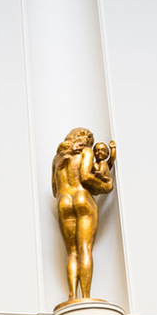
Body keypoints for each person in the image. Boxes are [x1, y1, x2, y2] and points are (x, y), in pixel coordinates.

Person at [51, 128, 116, 303]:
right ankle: (85, 297)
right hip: (82, 197)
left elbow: (54, 189)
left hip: (63, 200)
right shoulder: (86, 152)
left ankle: (72, 296)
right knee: (85, 249)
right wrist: (106, 185)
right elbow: (86, 177)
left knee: (71, 252)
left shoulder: (57, 158)